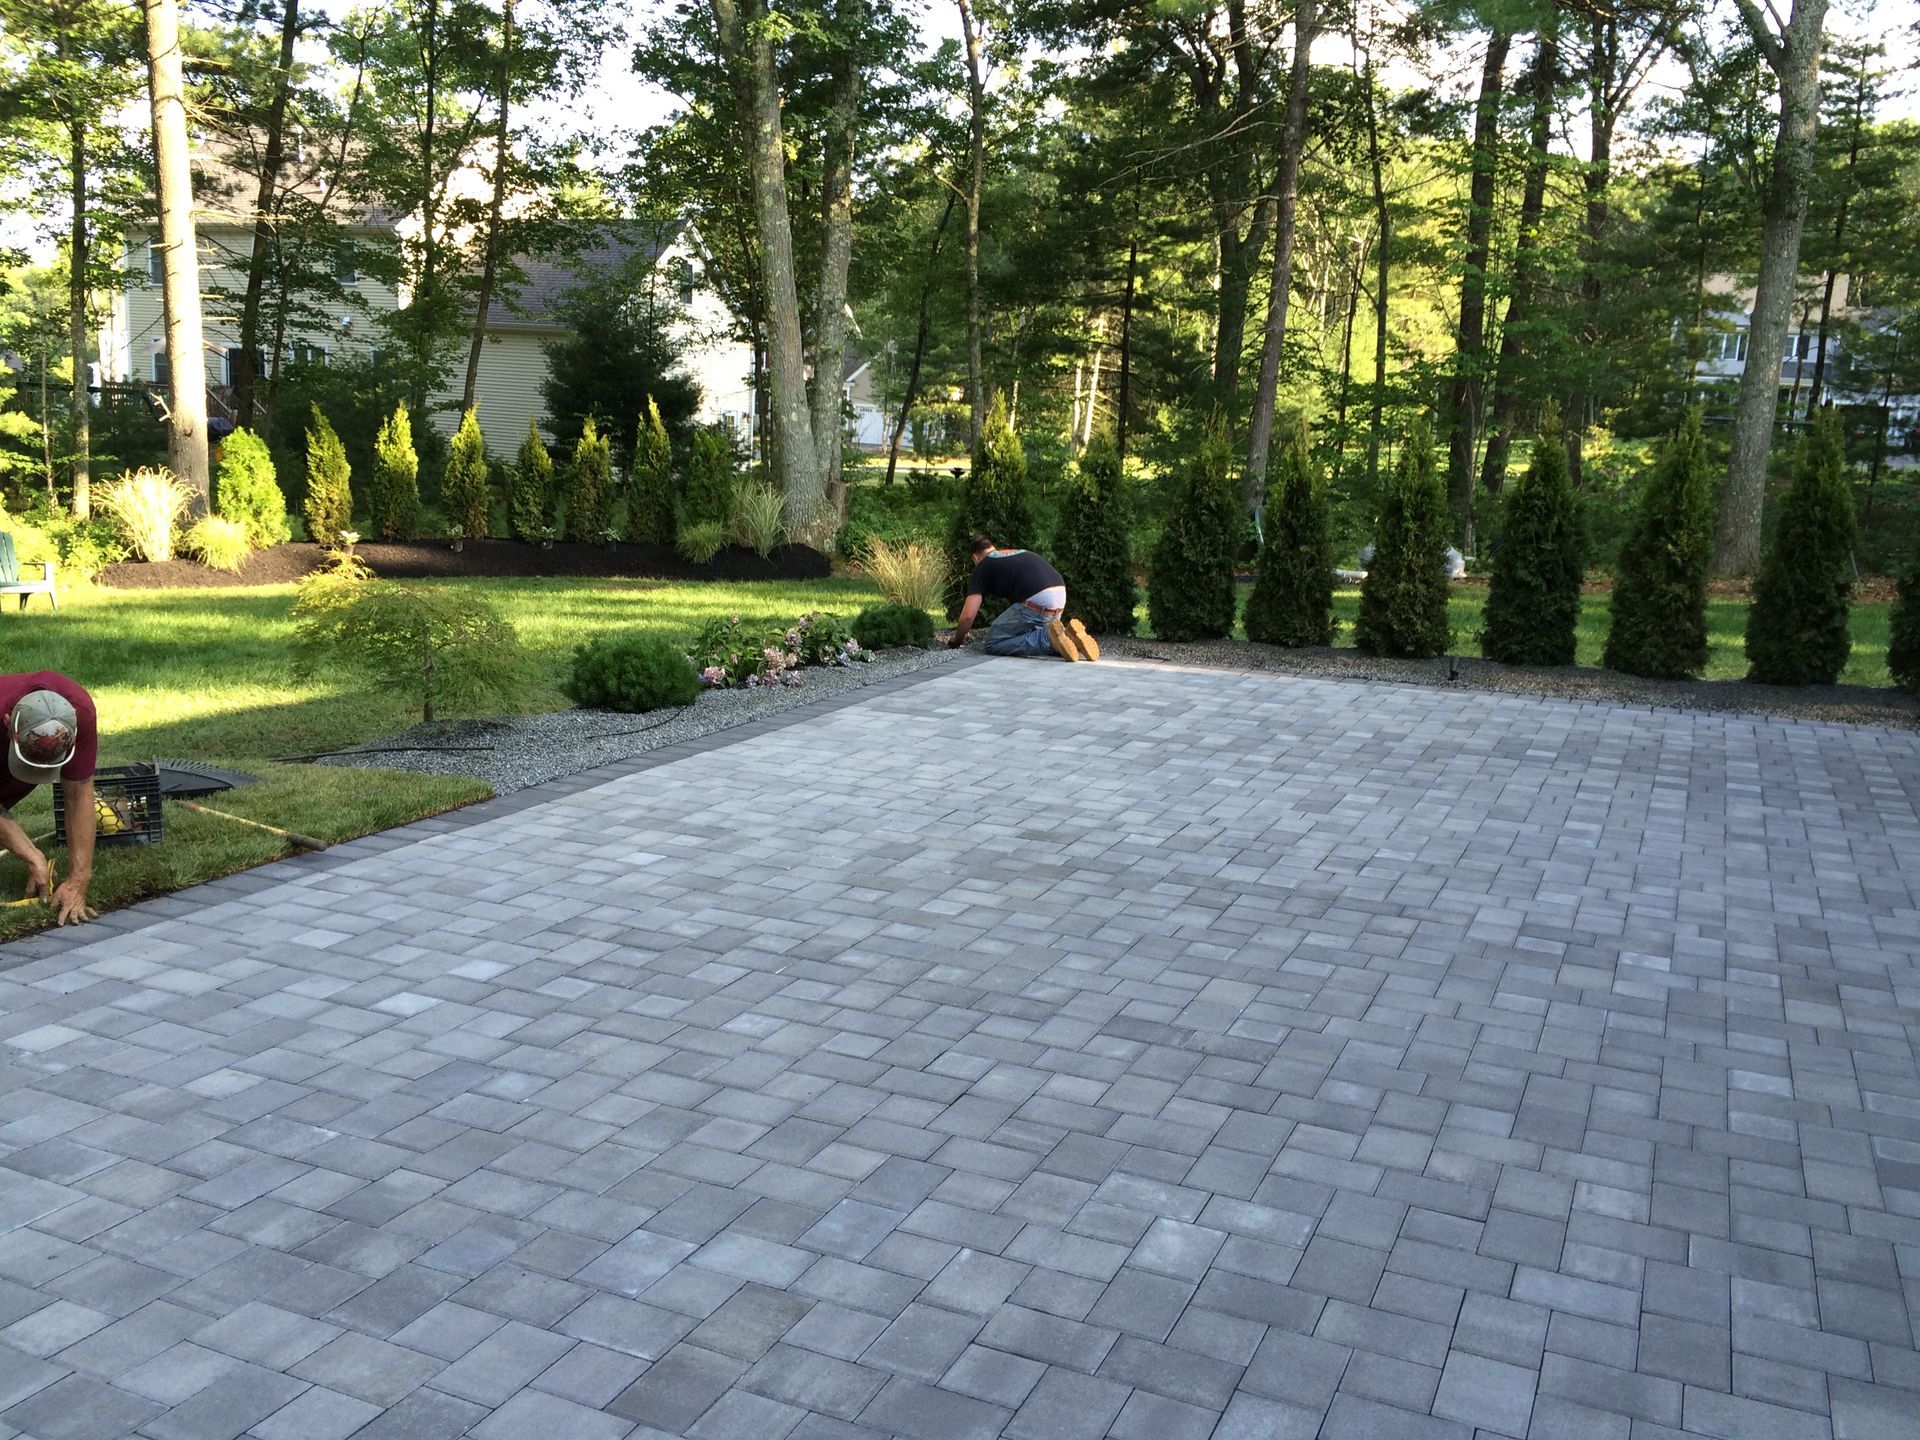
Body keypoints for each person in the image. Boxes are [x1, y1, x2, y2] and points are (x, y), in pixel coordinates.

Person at [1, 672, 99, 925]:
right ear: (8, 722)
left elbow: (79, 794)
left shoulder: (80, 712)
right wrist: (32, 856)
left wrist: (79, 881)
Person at [947, 535, 1101, 661]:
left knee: (993, 643)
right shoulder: (1013, 553)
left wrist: (957, 640)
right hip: (1060, 594)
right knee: (1038, 633)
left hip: (1036, 601)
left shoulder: (982, 566)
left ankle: (1050, 640)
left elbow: (967, 617)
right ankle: (1069, 638)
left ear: (975, 558)